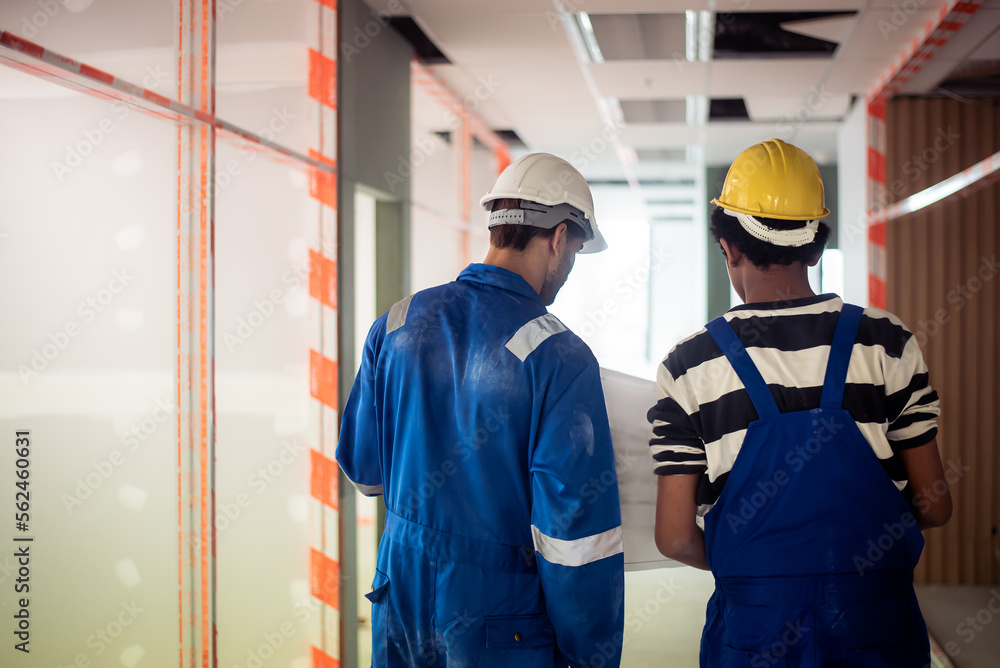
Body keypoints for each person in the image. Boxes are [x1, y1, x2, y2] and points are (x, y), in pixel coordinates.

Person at [648, 138, 952, 667]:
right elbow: (936, 503)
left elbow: (675, 539)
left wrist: (756, 572)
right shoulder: (887, 342)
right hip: (876, 627)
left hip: (753, 633)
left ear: (728, 247)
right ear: (816, 248)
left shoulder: (688, 366)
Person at [338, 153, 625, 668]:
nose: (569, 269)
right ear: (559, 237)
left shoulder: (398, 322)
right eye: (577, 251)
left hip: (402, 589)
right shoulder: (559, 356)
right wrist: (591, 656)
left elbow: (364, 473)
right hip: (499, 614)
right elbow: (574, 543)